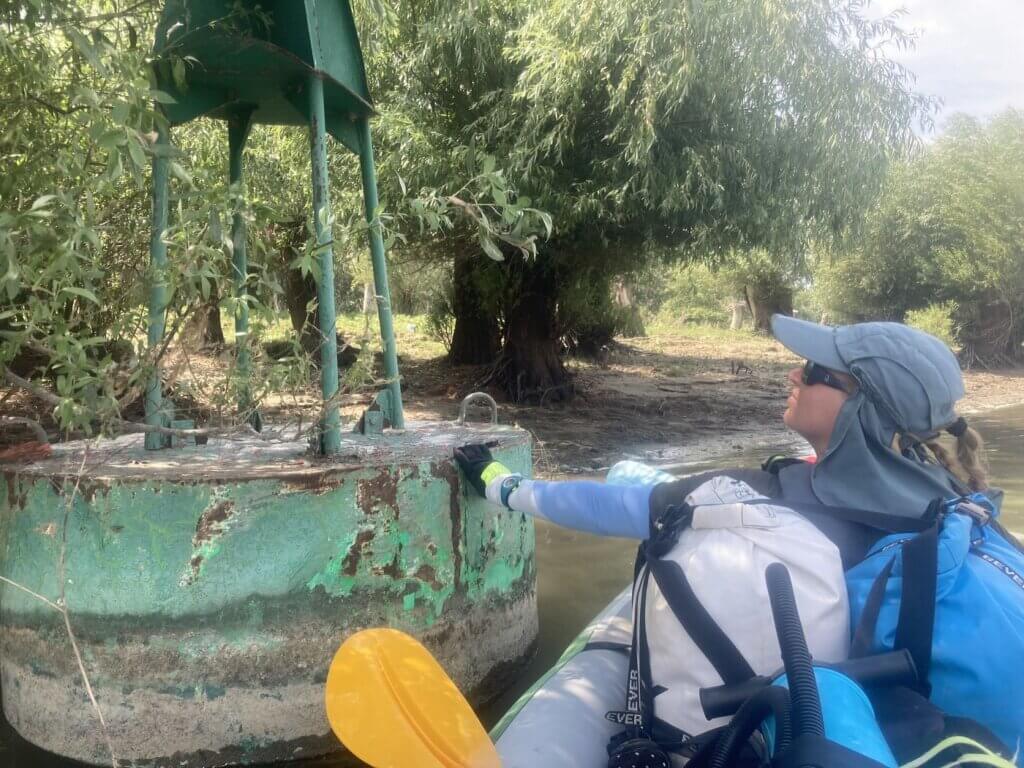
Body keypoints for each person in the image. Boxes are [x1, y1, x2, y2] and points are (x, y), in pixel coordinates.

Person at [456, 314, 993, 765]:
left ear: (860, 412)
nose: (793, 373)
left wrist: (501, 485)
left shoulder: (762, 496)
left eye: (813, 370)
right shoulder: (958, 500)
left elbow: (607, 506)